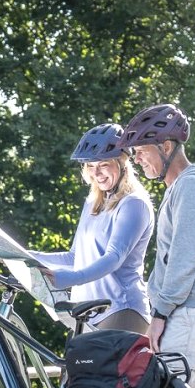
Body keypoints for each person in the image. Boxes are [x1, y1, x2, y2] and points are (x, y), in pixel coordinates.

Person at [121, 103, 195, 388]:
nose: (137, 160)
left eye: (141, 151)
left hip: (187, 312)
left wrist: (160, 315)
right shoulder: (180, 187)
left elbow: (183, 261)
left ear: (166, 146)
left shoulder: (193, 187)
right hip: (186, 312)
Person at [29, 124, 154, 335]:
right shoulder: (93, 202)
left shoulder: (133, 203)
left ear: (122, 164)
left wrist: (65, 279)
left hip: (120, 309)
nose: (97, 173)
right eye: (90, 166)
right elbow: (75, 257)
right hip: (85, 311)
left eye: (104, 164)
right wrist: (26, 256)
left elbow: (113, 258)